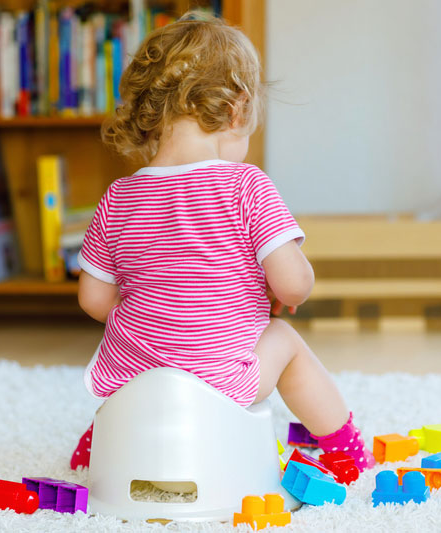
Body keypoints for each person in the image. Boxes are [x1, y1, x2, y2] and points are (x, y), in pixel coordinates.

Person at [70, 13, 375, 472]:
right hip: (222, 382)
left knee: (133, 349)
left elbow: (93, 299)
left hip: (132, 381)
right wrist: (284, 282)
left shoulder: (119, 195)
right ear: (237, 110)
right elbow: (293, 287)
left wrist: (158, 309)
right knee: (284, 339)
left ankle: (107, 436)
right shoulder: (246, 186)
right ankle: (344, 447)